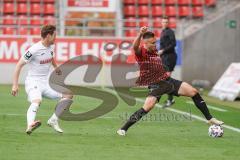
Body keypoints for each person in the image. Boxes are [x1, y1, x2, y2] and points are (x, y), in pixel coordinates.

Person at [117, 26, 224, 136]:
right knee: (147, 107)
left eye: (155, 42)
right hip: (156, 85)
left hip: (167, 81)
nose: (155, 45)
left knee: (193, 92)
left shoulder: (154, 51)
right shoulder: (141, 53)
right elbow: (135, 47)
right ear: (145, 43)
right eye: (152, 43)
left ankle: (209, 118)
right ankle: (124, 129)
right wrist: (140, 34)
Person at [11, 25, 73, 135]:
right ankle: (30, 124)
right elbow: (18, 65)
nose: (55, 38)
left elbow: (50, 56)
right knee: (37, 101)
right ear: (48, 36)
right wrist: (15, 85)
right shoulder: (34, 49)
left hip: (46, 83)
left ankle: (53, 120)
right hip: (33, 82)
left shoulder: (51, 47)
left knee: (68, 94)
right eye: (54, 36)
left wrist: (55, 67)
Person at [158, 16, 177, 108]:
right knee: (165, 79)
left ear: (168, 23)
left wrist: (163, 50)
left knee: (166, 78)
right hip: (164, 57)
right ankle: (170, 98)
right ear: (161, 23)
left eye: (166, 22)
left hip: (170, 57)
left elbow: (173, 44)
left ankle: (170, 99)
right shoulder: (163, 31)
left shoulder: (170, 32)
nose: (164, 23)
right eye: (163, 22)